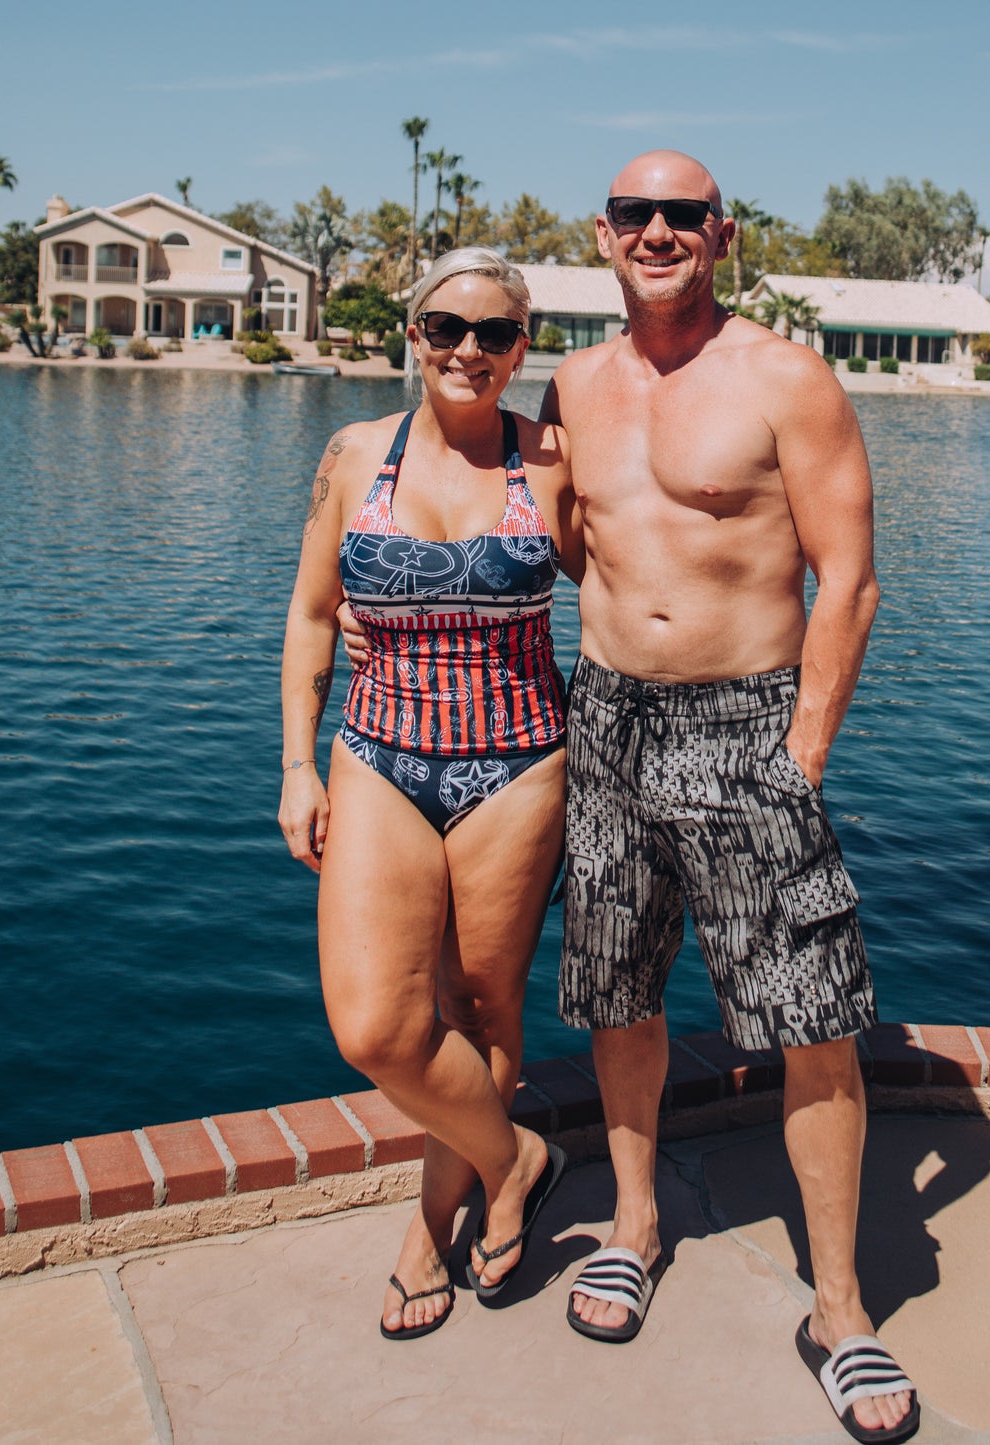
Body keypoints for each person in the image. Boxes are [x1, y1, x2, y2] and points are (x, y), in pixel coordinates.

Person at [545, 153, 916, 1442]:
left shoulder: (784, 376)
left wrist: (799, 755)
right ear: (604, 235)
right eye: (635, 213)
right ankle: (634, 1223)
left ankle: (839, 1307)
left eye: (682, 214)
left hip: (744, 725)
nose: (658, 231)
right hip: (604, 718)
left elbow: (848, 581)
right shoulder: (574, 383)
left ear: (723, 234)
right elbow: (542, 539)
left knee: (811, 1014)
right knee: (617, 991)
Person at [279, 247, 577, 1340]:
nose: (467, 349)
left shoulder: (548, 460)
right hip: (379, 755)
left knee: (485, 1009)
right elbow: (313, 612)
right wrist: (296, 764)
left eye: (494, 334)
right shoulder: (357, 454)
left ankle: (427, 1229)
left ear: (520, 346)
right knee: (376, 1025)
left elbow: (637, 568)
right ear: (413, 333)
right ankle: (518, 1159)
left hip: (517, 761)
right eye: (445, 327)